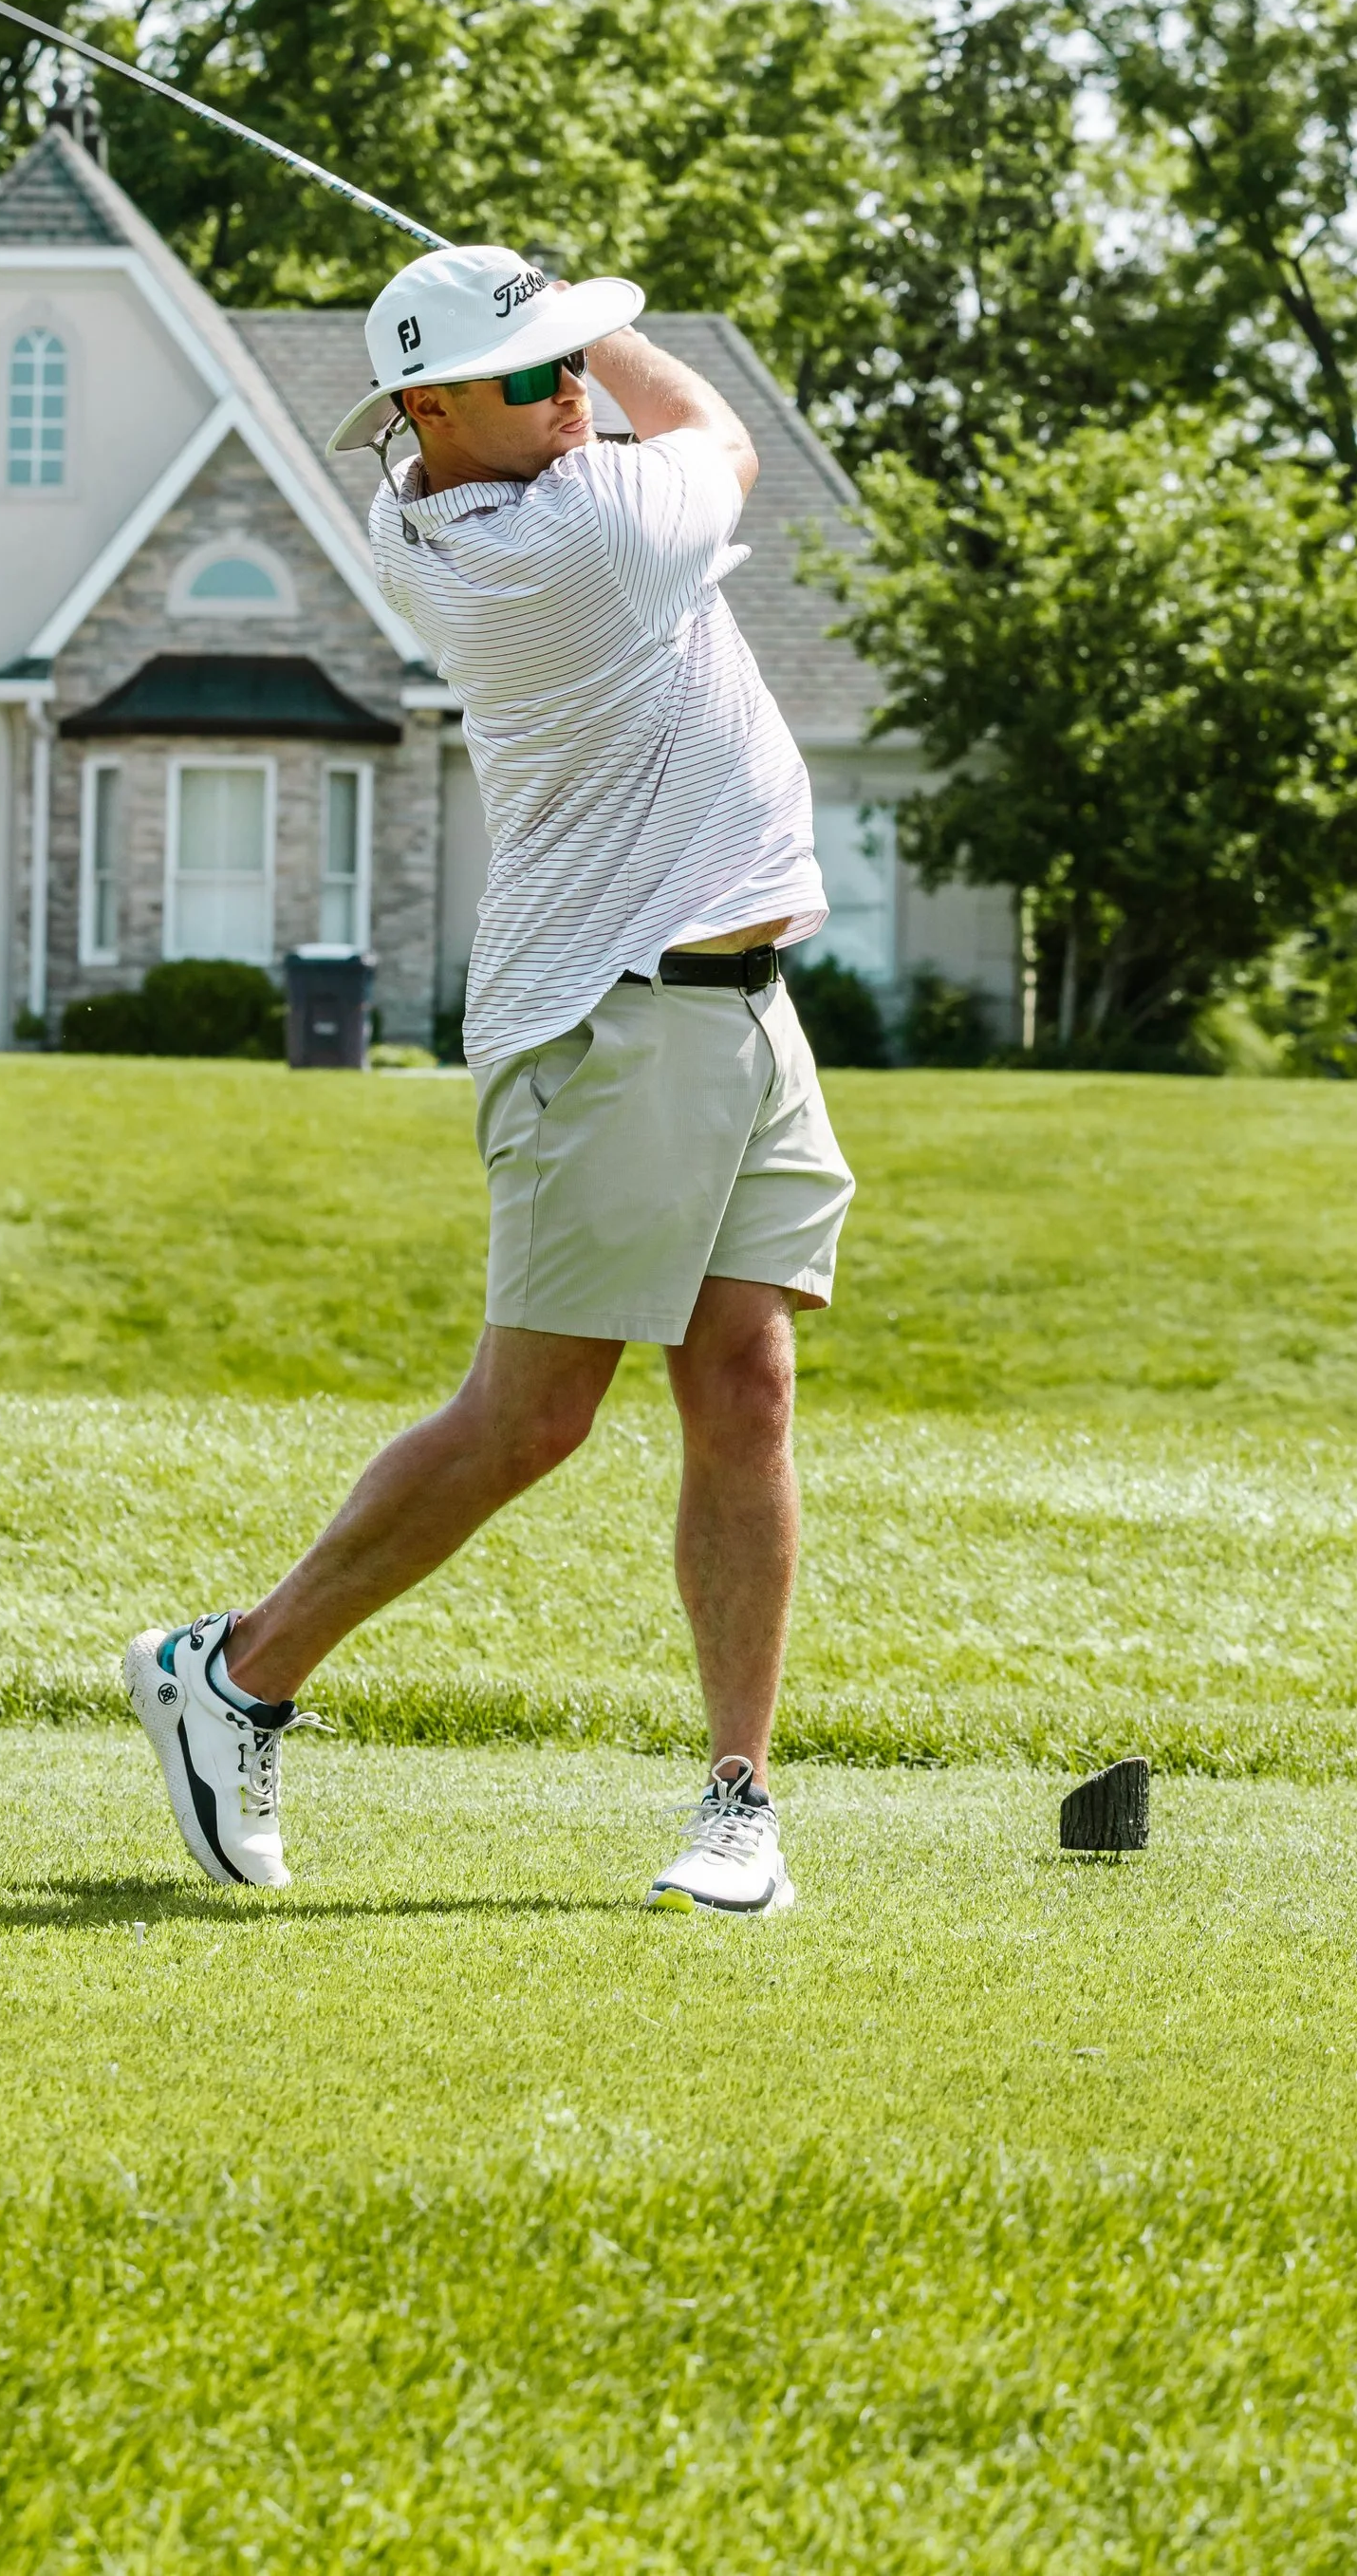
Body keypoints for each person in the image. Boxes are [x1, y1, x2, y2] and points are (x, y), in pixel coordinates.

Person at [125, 242, 855, 1915]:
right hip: (613, 1013)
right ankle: (235, 1671)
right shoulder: (576, 537)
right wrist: (619, 316)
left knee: (746, 1388)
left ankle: (738, 1802)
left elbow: (607, 419)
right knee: (530, 1421)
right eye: (540, 373)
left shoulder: (473, 492)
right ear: (433, 410)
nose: (580, 390)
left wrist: (545, 328)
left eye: (580, 361)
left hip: (743, 1006)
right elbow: (727, 437)